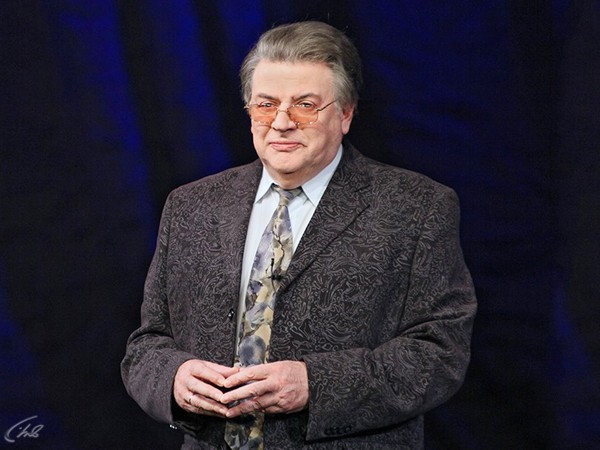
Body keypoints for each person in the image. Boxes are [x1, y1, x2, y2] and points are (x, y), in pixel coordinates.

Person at [121, 20, 477, 450]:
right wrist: (173, 378)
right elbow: (147, 344)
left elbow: (441, 353)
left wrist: (315, 384)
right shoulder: (191, 206)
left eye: (305, 105)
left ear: (345, 114)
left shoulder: (416, 208)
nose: (282, 122)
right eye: (266, 104)